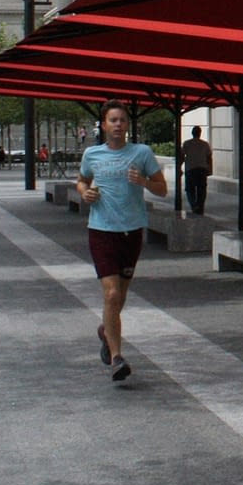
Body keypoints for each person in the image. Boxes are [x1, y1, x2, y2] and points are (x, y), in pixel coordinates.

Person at [77, 101, 166, 383]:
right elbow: (81, 180)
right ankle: (117, 358)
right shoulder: (92, 154)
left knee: (120, 296)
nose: (118, 125)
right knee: (112, 295)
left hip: (131, 233)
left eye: (122, 120)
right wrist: (85, 192)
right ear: (103, 125)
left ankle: (106, 331)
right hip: (101, 231)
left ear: (127, 125)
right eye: (113, 120)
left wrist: (143, 181)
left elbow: (162, 189)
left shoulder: (142, 153)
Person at [178, 125, 212, 216]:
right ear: (200, 133)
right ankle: (200, 207)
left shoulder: (187, 143)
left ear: (192, 133)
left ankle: (194, 205)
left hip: (190, 169)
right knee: (202, 190)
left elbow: (181, 156)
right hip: (202, 169)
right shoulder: (205, 144)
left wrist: (179, 168)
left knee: (190, 189)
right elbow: (209, 157)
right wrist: (209, 169)